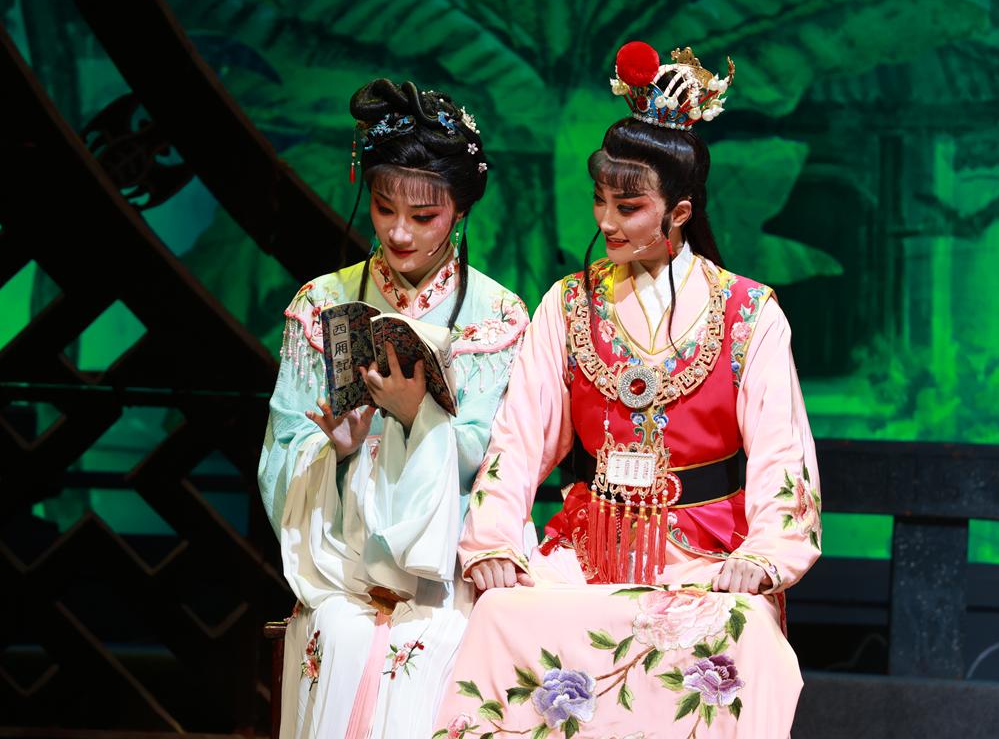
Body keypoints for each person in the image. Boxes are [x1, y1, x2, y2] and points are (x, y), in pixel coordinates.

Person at [433, 42, 821, 739]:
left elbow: (780, 452)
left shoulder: (748, 313)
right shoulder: (567, 304)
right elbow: (519, 438)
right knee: (501, 616)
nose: (606, 222)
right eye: (600, 201)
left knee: (742, 635)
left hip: (707, 558)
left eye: (629, 206)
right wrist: (492, 541)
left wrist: (764, 556)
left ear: (680, 211)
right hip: (587, 549)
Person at [258, 78, 528, 739]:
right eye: (384, 209)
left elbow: (502, 462)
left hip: (450, 566)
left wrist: (417, 419)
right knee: (340, 635)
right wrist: (336, 450)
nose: (399, 232)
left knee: (434, 640)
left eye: (424, 216)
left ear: (459, 210)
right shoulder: (322, 302)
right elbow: (281, 446)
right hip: (340, 561)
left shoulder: (497, 313)